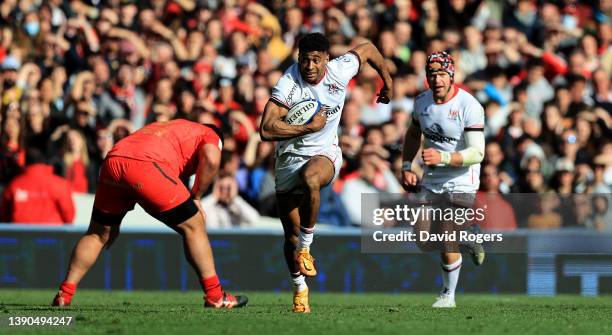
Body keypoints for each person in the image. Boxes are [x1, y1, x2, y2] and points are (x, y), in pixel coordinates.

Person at [52, 119, 247, 309]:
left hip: (113, 160)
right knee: (194, 223)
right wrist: (196, 196)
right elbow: (212, 160)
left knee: (97, 234)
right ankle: (215, 296)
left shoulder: (175, 127)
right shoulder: (210, 134)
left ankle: (65, 294)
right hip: (144, 165)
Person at [260, 33, 392, 313]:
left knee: (311, 177)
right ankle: (299, 289)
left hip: (325, 154)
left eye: (316, 60)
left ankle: (307, 249)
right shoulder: (289, 83)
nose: (310, 66)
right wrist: (307, 128)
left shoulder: (340, 70)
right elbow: (266, 129)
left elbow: (368, 48)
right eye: (305, 60)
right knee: (290, 237)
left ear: (327, 60)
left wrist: (387, 82)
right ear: (298, 59)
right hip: (288, 160)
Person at [400, 51, 485, 308]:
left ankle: (448, 296)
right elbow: (413, 134)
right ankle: (469, 235)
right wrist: (406, 165)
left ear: (451, 76)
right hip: (433, 180)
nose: (436, 79)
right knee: (424, 240)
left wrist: (444, 158)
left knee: (448, 235)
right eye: (432, 74)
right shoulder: (421, 103)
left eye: (441, 74)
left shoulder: (469, 106)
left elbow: (477, 153)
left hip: (462, 180)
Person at [1, 148, 75, 224]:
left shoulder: (14, 185)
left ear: (25, 162)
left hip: (20, 234)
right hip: (53, 233)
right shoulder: (60, 184)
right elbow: (69, 217)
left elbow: (5, 217)